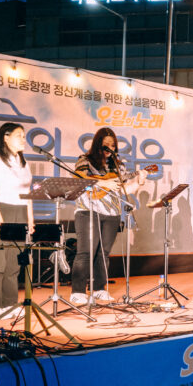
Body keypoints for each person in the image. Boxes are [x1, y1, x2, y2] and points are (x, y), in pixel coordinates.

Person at [71, 127, 148, 306]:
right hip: (87, 210)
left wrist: (139, 182)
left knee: (104, 253)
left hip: (112, 212)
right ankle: (78, 291)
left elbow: (124, 189)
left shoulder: (117, 165)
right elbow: (79, 179)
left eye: (113, 145)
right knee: (86, 252)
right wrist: (104, 183)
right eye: (106, 144)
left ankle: (99, 288)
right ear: (97, 143)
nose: (109, 148)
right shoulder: (85, 160)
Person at [0, 123, 34, 322]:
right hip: (1, 210)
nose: (23, 139)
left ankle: (10, 304)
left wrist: (30, 219)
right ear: (6, 137)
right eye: (19, 135)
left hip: (20, 212)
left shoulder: (24, 164)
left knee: (14, 263)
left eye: (24, 135)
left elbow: (28, 194)